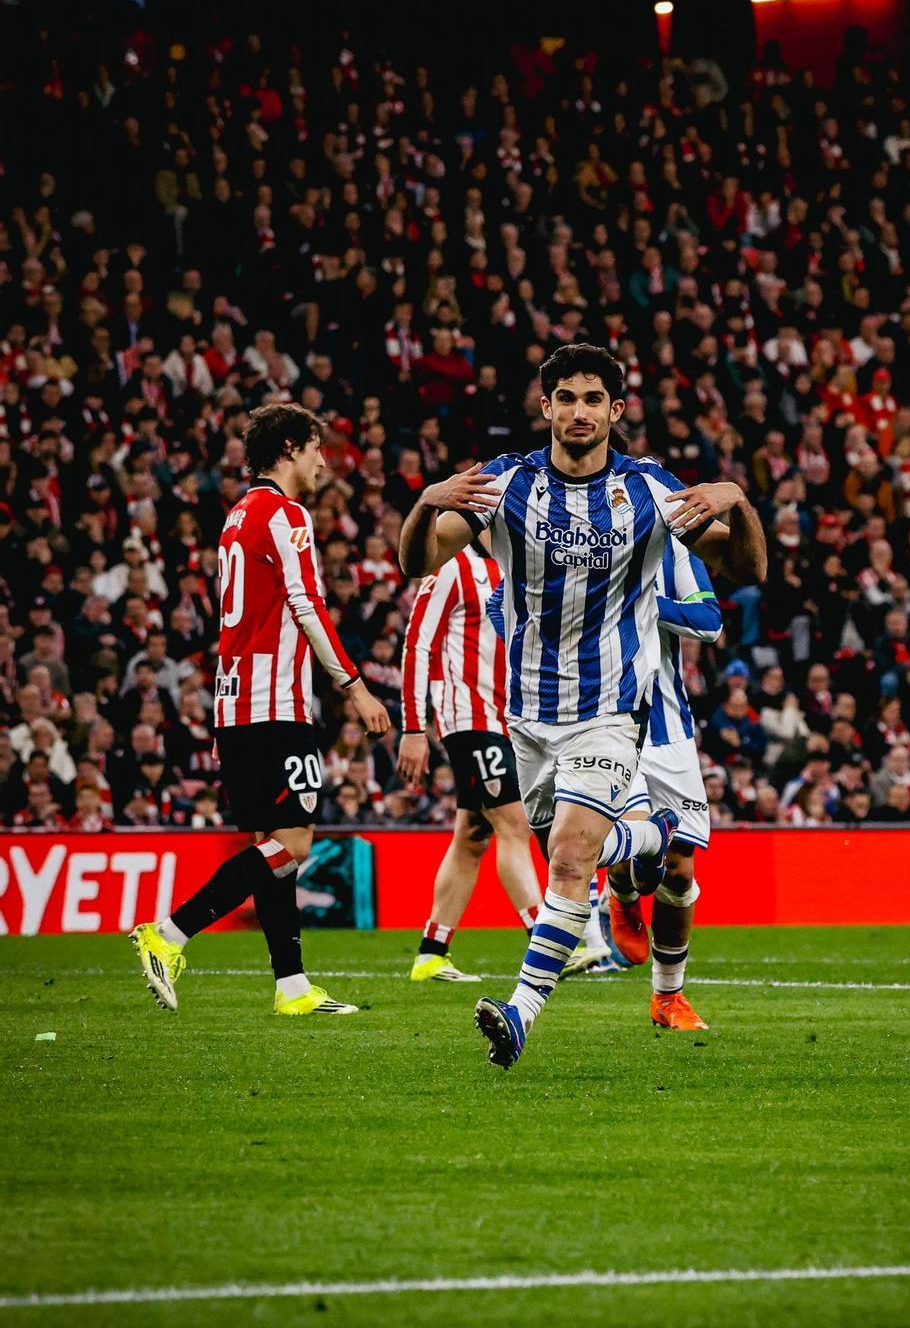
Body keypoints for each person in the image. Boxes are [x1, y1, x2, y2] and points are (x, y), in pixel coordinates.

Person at [399, 343, 766, 1068]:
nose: (578, 412)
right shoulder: (504, 484)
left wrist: (741, 502)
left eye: (592, 400)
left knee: (570, 860)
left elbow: (747, 568)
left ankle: (520, 1014)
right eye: (565, 398)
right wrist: (423, 504)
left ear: (615, 412)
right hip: (527, 716)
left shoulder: (650, 491)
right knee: (566, 845)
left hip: (610, 707)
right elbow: (418, 562)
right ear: (546, 407)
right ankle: (652, 837)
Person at [128, 403, 389, 1016]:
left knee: (272, 847)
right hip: (277, 704)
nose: (324, 461)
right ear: (292, 447)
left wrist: (225, 714)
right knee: (295, 844)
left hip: (238, 704)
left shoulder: (236, 516)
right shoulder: (286, 514)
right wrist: (354, 686)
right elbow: (308, 605)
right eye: (317, 448)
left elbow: (236, 624)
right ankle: (169, 933)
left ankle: (292, 986)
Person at [397, 543, 543, 982]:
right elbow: (416, 645)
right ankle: (550, 940)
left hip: (509, 720)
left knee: (471, 837)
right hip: (468, 717)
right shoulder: (450, 568)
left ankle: (432, 952)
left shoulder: (513, 567)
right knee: (513, 824)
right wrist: (412, 725)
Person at [603, 535, 723, 1032]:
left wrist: (633, 598)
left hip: (668, 730)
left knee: (678, 874)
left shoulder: (673, 548)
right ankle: (621, 887)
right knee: (639, 849)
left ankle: (667, 998)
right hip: (601, 722)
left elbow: (709, 621)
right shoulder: (570, 543)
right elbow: (508, 608)